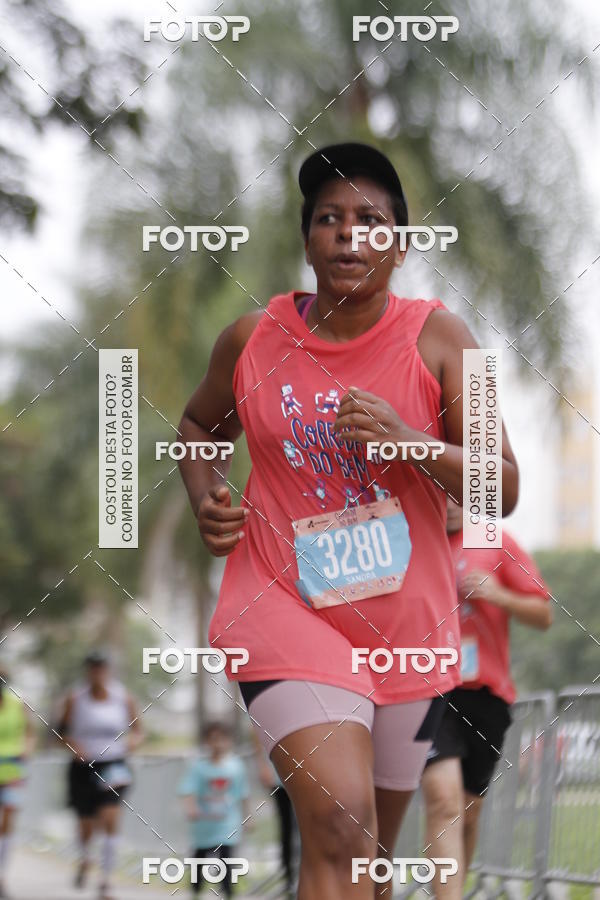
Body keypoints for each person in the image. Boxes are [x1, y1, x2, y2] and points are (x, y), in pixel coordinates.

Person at [177, 141, 520, 899]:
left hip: (407, 633)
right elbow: (198, 427)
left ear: (398, 244)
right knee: (338, 820)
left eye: (370, 219)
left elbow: (504, 484)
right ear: (308, 242)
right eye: (329, 219)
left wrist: (412, 441)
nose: (348, 233)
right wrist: (206, 494)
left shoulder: (449, 340)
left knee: (365, 861)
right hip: (282, 604)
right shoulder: (250, 339)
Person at [420, 499, 552, 898]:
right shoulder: (413, 542)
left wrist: (498, 596)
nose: (449, 503)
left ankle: (454, 889)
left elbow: (543, 615)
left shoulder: (496, 542)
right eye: (439, 493)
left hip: (486, 695)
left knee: (468, 812)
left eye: (457, 493)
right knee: (443, 802)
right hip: (428, 690)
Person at [57, 650, 143, 900]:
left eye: (101, 667)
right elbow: (60, 732)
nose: (97, 673)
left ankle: (106, 881)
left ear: (108, 670)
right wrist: (73, 746)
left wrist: (132, 743)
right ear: (87, 671)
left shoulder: (122, 696)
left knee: (110, 818)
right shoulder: (75, 698)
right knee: (86, 824)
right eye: (93, 668)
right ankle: (85, 857)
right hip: (83, 767)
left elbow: (138, 730)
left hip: (113, 765)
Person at [178, 720, 250, 897]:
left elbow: (243, 793)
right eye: (213, 739)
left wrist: (248, 817)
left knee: (226, 864)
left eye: (222, 739)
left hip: (227, 826)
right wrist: (191, 807)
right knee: (199, 865)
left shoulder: (236, 766)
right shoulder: (199, 768)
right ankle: (195, 892)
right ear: (207, 742)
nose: (218, 744)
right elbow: (188, 790)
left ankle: (228, 894)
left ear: (230, 741)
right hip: (204, 827)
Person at [250, 726, 298, 896]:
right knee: (287, 828)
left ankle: (304, 875)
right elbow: (255, 730)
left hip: (305, 775)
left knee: (308, 829)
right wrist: (262, 765)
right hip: (279, 777)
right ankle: (289, 878)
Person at [0, 669, 34, 898]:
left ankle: (1, 875)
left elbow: (30, 733)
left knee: (8, 820)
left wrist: (26, 749)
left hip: (11, 770)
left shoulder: (17, 703)